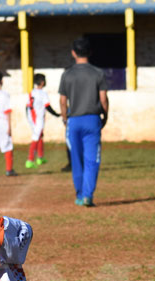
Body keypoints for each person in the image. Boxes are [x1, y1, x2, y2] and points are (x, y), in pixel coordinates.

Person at [59, 37, 108, 207]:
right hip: (92, 119)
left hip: (74, 120)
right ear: (90, 52)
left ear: (73, 53)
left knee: (76, 159)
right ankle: (88, 196)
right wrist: (105, 116)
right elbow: (103, 99)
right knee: (91, 159)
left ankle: (79, 194)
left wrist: (65, 119)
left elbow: (63, 101)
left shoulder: (67, 74)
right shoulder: (98, 73)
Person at [24, 73, 60, 169]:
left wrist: (28, 118)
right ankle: (30, 160)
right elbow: (47, 106)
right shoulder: (42, 93)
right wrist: (56, 114)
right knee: (36, 137)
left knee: (39, 135)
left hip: (32, 118)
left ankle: (40, 157)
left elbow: (27, 107)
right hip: (38, 118)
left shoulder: (32, 92)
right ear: (43, 82)